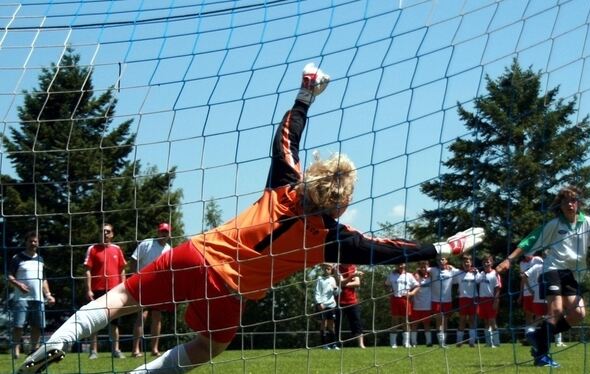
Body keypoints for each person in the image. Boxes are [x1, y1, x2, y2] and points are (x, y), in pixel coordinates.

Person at [18, 63, 485, 374]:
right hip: (231, 291)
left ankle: (54, 344)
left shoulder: (286, 182)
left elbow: (287, 136)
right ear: (341, 203)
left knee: (119, 298)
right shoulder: (333, 239)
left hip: (193, 253)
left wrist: (305, 95)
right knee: (208, 349)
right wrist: (444, 247)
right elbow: (389, 250)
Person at [496, 185, 590, 368]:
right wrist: (509, 259)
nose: (570, 204)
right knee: (555, 311)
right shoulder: (554, 225)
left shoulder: (588, 222)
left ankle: (538, 336)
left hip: (573, 274)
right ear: (560, 205)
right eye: (565, 201)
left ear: (578, 203)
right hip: (553, 269)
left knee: (578, 314)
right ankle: (542, 356)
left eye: (573, 200)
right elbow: (531, 239)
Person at [8, 232, 56, 360]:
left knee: (38, 325)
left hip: (38, 298)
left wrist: (49, 295)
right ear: (26, 242)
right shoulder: (17, 258)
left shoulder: (40, 260)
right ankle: (16, 348)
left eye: (35, 241)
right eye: (30, 241)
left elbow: (43, 279)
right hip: (21, 298)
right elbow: (10, 276)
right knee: (18, 325)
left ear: (38, 243)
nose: (33, 243)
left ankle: (33, 349)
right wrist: (19, 285)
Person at [84, 223, 127, 360]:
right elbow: (87, 270)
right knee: (95, 321)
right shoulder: (92, 249)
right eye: (103, 231)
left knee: (114, 322)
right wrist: (89, 289)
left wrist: (124, 287)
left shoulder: (117, 249)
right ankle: (93, 351)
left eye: (108, 231)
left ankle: (116, 350)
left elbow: (122, 269)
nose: (105, 234)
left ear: (112, 234)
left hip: (115, 291)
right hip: (97, 290)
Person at [130, 223, 172, 357]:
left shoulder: (169, 249)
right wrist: (134, 277)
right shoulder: (147, 243)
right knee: (142, 316)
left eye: (166, 232)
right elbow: (133, 260)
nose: (164, 234)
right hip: (143, 284)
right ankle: (136, 349)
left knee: (157, 317)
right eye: (162, 231)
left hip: (159, 287)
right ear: (158, 232)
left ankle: (154, 349)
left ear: (169, 234)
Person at [385, 263, 419, 348]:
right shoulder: (392, 275)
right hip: (395, 299)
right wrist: (389, 292)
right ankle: (393, 343)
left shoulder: (409, 275)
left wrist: (411, 293)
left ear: (405, 265)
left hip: (405, 299)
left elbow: (417, 286)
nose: (400, 266)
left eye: (402, 264)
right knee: (394, 321)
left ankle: (406, 342)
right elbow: (386, 285)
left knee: (406, 321)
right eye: (398, 264)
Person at [336, 264, 366, 349]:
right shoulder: (337, 268)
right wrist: (352, 276)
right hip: (338, 301)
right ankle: (336, 343)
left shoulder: (354, 267)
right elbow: (340, 282)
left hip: (352, 301)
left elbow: (357, 283)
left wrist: (344, 283)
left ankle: (361, 344)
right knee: (337, 323)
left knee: (357, 322)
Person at [476, 254, 501, 348]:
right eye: (484, 262)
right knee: (485, 321)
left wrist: (495, 301)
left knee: (492, 320)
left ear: (492, 263)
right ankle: (488, 342)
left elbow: (497, 289)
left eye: (488, 261)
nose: (486, 263)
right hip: (482, 300)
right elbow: (476, 280)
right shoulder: (481, 274)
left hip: (491, 300)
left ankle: (496, 342)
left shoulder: (495, 274)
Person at [430, 256, 455, 348]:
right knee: (439, 320)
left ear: (446, 260)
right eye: (438, 259)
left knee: (445, 321)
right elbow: (422, 269)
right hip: (436, 300)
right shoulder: (433, 270)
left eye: (443, 259)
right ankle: (441, 343)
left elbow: (463, 272)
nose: (441, 261)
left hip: (447, 300)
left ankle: (444, 342)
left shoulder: (452, 270)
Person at [453, 255, 478, 347]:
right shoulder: (458, 272)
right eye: (465, 262)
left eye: (468, 261)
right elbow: (449, 269)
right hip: (463, 299)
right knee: (462, 320)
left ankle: (472, 342)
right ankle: (459, 341)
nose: (467, 263)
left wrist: (476, 272)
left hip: (473, 299)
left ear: (471, 263)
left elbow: (480, 280)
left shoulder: (475, 272)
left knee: (472, 320)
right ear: (462, 263)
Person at [518, 253, 543, 345]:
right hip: (526, 292)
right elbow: (522, 279)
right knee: (528, 315)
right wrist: (521, 295)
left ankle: (535, 335)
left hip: (536, 291)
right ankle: (528, 337)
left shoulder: (537, 259)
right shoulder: (522, 263)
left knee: (539, 315)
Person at [314, 263, 339, 349]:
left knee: (331, 325)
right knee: (323, 325)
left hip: (331, 305)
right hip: (322, 305)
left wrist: (336, 288)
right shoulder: (319, 279)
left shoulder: (333, 279)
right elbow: (317, 292)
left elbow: (336, 293)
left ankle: (334, 344)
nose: (326, 270)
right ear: (322, 269)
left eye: (328, 269)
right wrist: (319, 303)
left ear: (331, 270)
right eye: (325, 269)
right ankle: (324, 344)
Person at [410, 261, 433, 347]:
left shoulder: (431, 275)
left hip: (427, 304)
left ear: (428, 266)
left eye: (425, 266)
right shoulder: (414, 275)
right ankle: (414, 342)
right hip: (416, 304)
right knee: (415, 324)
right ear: (419, 266)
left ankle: (429, 342)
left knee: (427, 324)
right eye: (421, 266)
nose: (423, 268)